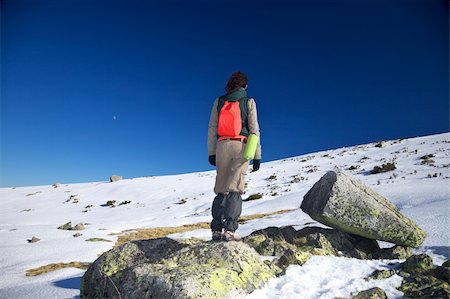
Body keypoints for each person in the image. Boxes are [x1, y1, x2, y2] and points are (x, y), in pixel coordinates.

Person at [207, 71, 261, 241]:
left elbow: (212, 128)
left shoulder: (220, 101)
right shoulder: (249, 102)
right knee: (235, 188)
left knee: (221, 189)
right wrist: (257, 155)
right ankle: (230, 229)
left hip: (222, 145)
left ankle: (216, 230)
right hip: (241, 146)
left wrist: (212, 152)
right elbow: (254, 130)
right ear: (245, 86)